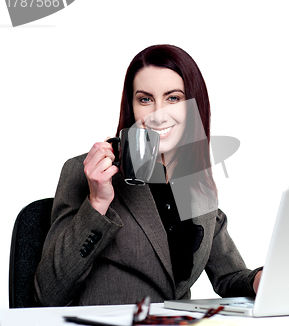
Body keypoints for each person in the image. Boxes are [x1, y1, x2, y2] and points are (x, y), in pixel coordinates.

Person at [34, 44, 262, 306]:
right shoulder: (85, 172)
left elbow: (230, 275)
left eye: (173, 98)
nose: (158, 114)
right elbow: (46, 295)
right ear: (132, 107)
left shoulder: (196, 183)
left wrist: (259, 280)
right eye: (145, 99)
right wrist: (97, 203)